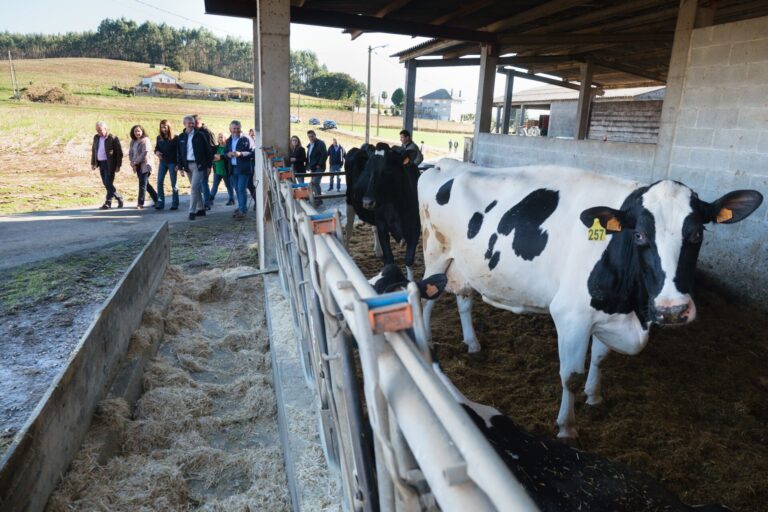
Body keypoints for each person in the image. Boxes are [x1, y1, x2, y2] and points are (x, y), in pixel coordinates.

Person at [177, 115, 214, 220]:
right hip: (187, 165)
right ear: (184, 124)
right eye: (189, 123)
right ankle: (201, 209)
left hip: (198, 165)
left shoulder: (200, 135)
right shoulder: (181, 137)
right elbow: (179, 153)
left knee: (193, 188)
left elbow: (208, 151)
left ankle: (192, 212)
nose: (191, 124)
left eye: (192, 122)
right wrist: (180, 166)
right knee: (196, 188)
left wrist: (208, 166)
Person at [91, 121, 124, 210]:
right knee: (106, 183)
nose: (99, 132)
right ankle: (119, 197)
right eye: (97, 130)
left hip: (110, 164)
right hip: (100, 164)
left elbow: (119, 153)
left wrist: (118, 166)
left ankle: (108, 203)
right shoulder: (96, 137)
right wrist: (93, 163)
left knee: (108, 183)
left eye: (100, 130)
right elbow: (94, 150)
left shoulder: (113, 138)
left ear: (105, 129)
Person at [226, 120, 254, 220]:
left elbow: (253, 153)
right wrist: (227, 154)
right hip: (233, 168)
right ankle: (240, 207)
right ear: (230, 129)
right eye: (234, 128)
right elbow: (226, 152)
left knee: (241, 188)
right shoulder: (229, 140)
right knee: (237, 189)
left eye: (238, 128)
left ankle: (243, 210)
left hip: (244, 168)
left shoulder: (246, 138)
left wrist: (240, 154)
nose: (236, 130)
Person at [128, 124, 159, 209]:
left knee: (142, 184)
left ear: (142, 131)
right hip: (137, 165)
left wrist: (136, 162)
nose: (137, 133)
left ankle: (140, 203)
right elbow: (130, 153)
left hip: (145, 165)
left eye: (139, 131)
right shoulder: (133, 141)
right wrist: (132, 162)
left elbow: (145, 153)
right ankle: (157, 199)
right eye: (135, 131)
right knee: (146, 184)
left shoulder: (146, 140)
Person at [154, 120, 179, 210]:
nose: (163, 129)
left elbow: (178, 152)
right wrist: (157, 152)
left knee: (174, 184)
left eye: (165, 127)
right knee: (159, 182)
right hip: (163, 162)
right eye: (161, 127)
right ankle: (160, 203)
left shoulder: (175, 138)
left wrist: (178, 164)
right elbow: (156, 148)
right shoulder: (159, 138)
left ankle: (175, 203)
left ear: (169, 127)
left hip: (173, 163)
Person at [193, 114, 215, 209]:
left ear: (200, 122)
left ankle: (207, 203)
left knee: (203, 182)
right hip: (196, 162)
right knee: (200, 183)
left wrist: (209, 165)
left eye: (196, 123)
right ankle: (208, 200)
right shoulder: (193, 132)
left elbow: (213, 147)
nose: (194, 125)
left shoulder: (207, 131)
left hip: (205, 162)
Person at [211, 132, 235, 206]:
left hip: (225, 171)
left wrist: (220, 157)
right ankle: (210, 199)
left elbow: (227, 157)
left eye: (222, 137)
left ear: (225, 139)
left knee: (228, 185)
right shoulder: (216, 147)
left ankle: (232, 199)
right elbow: (213, 157)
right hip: (217, 170)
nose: (220, 138)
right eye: (219, 137)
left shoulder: (227, 148)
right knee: (215, 185)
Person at [306, 130, 328, 206]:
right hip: (313, 168)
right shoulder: (310, 145)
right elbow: (309, 156)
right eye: (309, 136)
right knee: (313, 183)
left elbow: (324, 154)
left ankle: (319, 199)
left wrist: (319, 164)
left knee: (315, 182)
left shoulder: (320, 143)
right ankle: (316, 198)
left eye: (312, 136)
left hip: (319, 167)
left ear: (315, 135)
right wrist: (308, 165)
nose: (311, 138)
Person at [246, 128, 257, 209]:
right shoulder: (246, 142)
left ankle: (257, 201)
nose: (252, 135)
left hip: (254, 164)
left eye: (253, 134)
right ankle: (256, 201)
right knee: (249, 184)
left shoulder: (257, 142)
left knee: (250, 184)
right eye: (251, 134)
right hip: (247, 164)